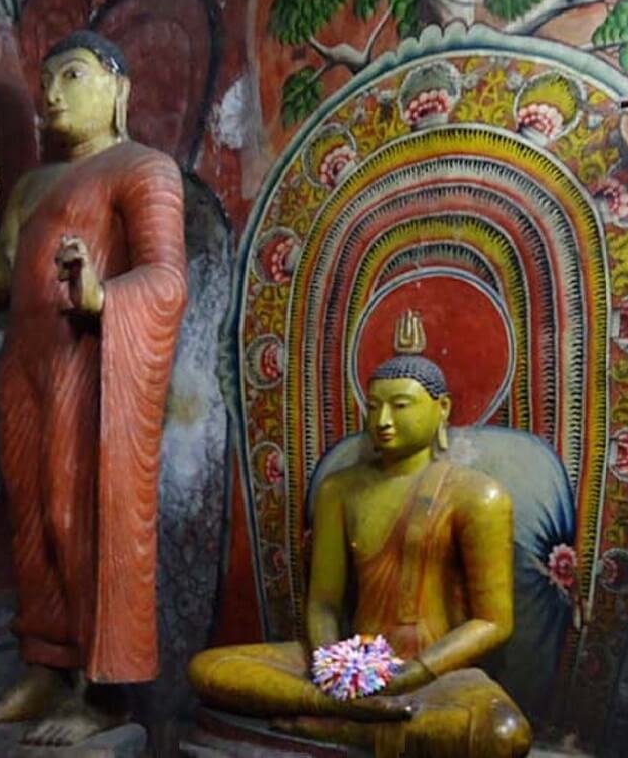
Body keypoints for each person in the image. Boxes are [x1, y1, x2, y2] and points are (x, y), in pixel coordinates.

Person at [0, 31, 187, 747]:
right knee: (29, 519)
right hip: (24, 367)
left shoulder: (143, 169)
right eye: (45, 79)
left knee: (74, 513)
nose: (51, 94)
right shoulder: (29, 187)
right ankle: (45, 666)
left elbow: (166, 279)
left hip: (89, 364)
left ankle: (104, 688)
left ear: (118, 89)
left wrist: (97, 294)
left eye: (73, 76)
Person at [188, 311, 531, 758]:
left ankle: (349, 728)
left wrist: (413, 673)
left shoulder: (478, 496)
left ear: (441, 409)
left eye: (400, 406)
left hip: (434, 673)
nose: (383, 420)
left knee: (504, 733)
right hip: (352, 659)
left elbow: (493, 621)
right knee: (208, 668)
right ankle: (339, 709)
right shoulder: (340, 491)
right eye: (373, 407)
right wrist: (334, 669)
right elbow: (325, 601)